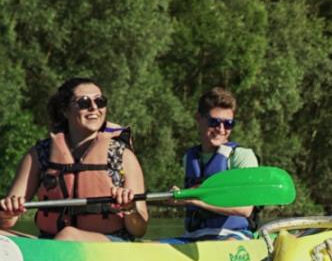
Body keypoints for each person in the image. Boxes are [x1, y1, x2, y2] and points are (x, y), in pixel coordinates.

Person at [0, 77, 148, 241]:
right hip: (52, 242)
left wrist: (130, 209)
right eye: (84, 103)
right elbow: (7, 222)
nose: (94, 108)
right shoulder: (40, 155)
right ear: (65, 110)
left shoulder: (123, 155)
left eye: (100, 101)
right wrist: (7, 213)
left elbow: (139, 229)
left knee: (68, 235)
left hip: (111, 243)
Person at [173, 86, 259, 241]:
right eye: (214, 122)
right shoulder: (190, 157)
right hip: (193, 237)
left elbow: (245, 210)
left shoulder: (241, 156)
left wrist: (195, 200)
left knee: (226, 244)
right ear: (199, 118)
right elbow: (189, 203)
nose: (221, 129)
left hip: (233, 236)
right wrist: (175, 198)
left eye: (228, 124)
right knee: (152, 246)